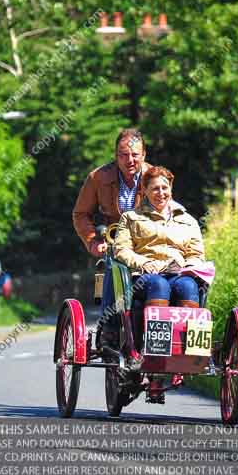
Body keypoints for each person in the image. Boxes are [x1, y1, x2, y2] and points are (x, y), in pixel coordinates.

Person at [72, 129, 152, 338]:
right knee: (114, 264)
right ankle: (109, 328)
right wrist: (92, 242)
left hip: (148, 241)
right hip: (113, 241)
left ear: (144, 155)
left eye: (135, 154)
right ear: (116, 156)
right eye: (123, 155)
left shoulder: (155, 177)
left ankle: (151, 326)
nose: (130, 160)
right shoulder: (97, 177)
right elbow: (81, 214)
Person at [114, 166, 205, 308]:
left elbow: (196, 254)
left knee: (188, 286)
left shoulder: (189, 221)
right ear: (145, 190)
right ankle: (152, 330)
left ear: (171, 189)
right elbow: (121, 249)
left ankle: (185, 330)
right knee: (159, 284)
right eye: (155, 188)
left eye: (165, 188)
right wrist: (144, 263)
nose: (161, 193)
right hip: (145, 277)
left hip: (178, 275)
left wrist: (189, 266)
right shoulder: (130, 217)